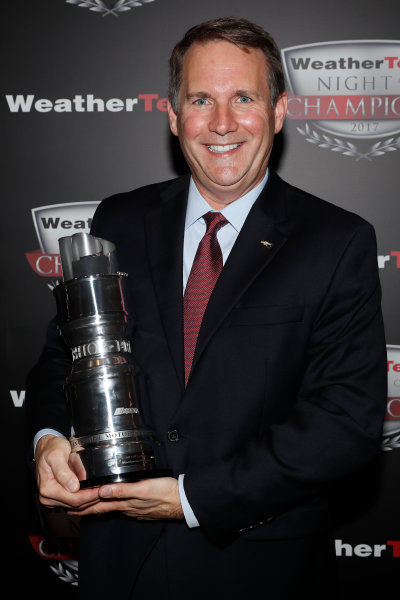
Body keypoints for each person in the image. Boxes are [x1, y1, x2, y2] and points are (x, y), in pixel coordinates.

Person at [26, 16, 387, 599]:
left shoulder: (336, 241)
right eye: (201, 99)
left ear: (278, 111)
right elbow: (61, 358)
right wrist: (48, 438)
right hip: (120, 564)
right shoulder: (118, 220)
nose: (222, 124)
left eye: (243, 97)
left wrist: (193, 497)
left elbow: (345, 423)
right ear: (173, 116)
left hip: (260, 568)